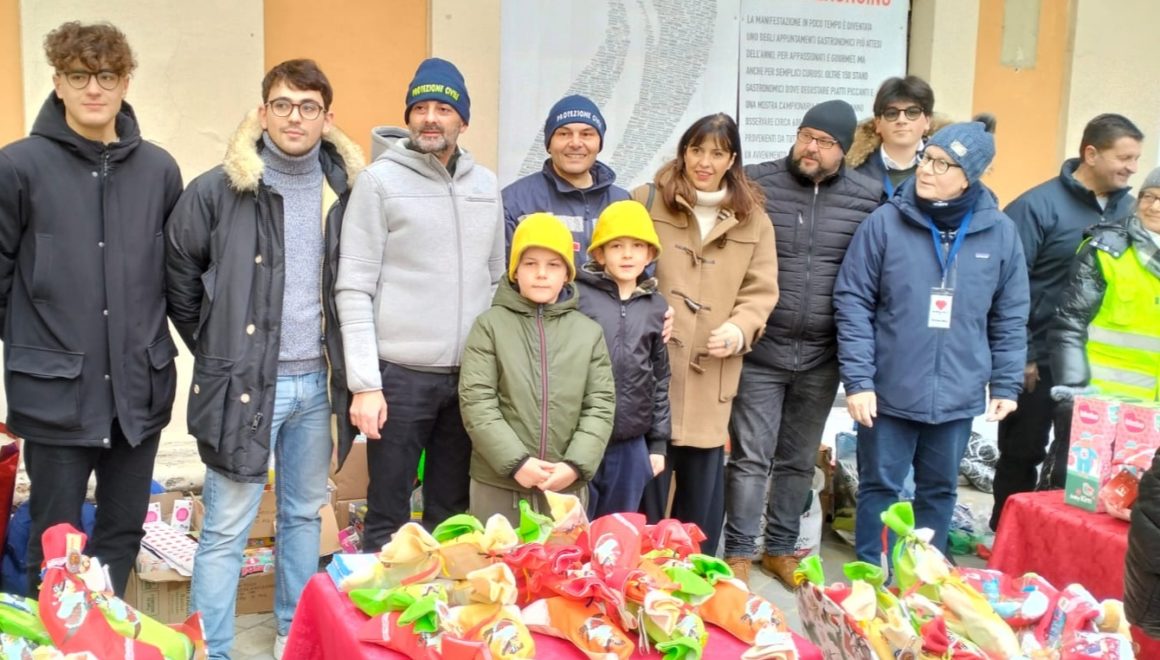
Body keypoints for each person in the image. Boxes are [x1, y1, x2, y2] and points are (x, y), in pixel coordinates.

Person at [166, 59, 362, 658]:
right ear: (263, 112)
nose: (294, 117)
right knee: (226, 527)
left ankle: (293, 636)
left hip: (317, 385)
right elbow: (179, 277)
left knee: (303, 517)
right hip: (247, 387)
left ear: (327, 117)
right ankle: (212, 649)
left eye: (308, 107)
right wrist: (224, 353)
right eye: (282, 104)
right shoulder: (219, 189)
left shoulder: (348, 192)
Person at [0, 21, 182, 597]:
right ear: (58, 82)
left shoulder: (159, 171)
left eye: (106, 75)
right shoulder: (17, 167)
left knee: (122, 532)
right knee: (54, 543)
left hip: (137, 393)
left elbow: (177, 280)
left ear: (126, 82)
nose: (94, 88)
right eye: (79, 76)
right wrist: (32, 350)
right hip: (56, 394)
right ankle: (49, 638)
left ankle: (103, 633)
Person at [834, 119, 1029, 563]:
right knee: (881, 488)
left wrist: (1005, 383)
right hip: (889, 391)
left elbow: (1010, 313)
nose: (926, 169)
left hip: (958, 394)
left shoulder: (999, 232)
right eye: (927, 157)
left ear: (969, 177)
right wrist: (859, 382)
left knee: (939, 491)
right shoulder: (885, 223)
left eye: (943, 164)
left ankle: (923, 582)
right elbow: (853, 302)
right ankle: (874, 578)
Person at [337, 58, 505, 548]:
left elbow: (497, 279)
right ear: (409, 117)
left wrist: (495, 368)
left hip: (469, 378)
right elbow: (354, 286)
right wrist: (365, 384)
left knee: (451, 515)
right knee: (387, 515)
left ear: (463, 121)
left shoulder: (486, 186)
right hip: (400, 379)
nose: (431, 118)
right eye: (420, 108)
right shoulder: (378, 183)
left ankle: (441, 597)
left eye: (443, 108)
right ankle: (380, 598)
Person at [726, 100, 881, 585]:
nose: (811, 147)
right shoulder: (757, 184)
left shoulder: (868, 198)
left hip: (821, 355)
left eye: (825, 141)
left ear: (845, 149)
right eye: (805, 135)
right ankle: (738, 552)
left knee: (797, 459)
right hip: (761, 349)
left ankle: (781, 549)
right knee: (751, 458)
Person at [632, 113, 779, 556]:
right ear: (683, 152)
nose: (704, 162)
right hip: (652, 372)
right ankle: (641, 581)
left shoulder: (753, 220)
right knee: (645, 505)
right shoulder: (645, 201)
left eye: (717, 153)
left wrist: (738, 329)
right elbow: (619, 267)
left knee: (700, 512)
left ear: (732, 160)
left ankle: (695, 582)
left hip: (711, 374)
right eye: (697, 150)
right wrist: (644, 313)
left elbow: (761, 290)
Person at [991, 113, 1143, 530]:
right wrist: (1021, 355)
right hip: (1039, 359)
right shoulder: (1035, 207)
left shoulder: (1131, 210)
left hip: (1097, 363)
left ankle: (1058, 541)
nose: (1132, 168)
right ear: (1091, 154)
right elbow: (1007, 286)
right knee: (1023, 452)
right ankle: (1006, 535)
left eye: (1135, 158)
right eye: (1124, 158)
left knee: (1082, 461)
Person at [459, 213, 615, 524]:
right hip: (498, 486)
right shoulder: (489, 326)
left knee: (562, 555)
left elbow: (600, 405)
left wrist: (574, 465)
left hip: (565, 488)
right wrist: (516, 462)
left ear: (567, 274)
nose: (541, 274)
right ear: (515, 270)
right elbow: (477, 401)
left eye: (553, 265)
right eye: (530, 263)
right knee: (498, 555)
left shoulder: (588, 333)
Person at [574, 200, 671, 519]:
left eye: (637, 246)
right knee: (575, 527)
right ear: (600, 254)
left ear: (650, 254)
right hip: (580, 437)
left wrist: (657, 444)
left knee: (618, 530)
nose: (627, 255)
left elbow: (660, 378)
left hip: (630, 443)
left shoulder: (656, 307)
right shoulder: (577, 297)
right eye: (616, 246)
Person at [1051, 167, 1160, 404]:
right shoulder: (1105, 250)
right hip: (1103, 405)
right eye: (1149, 196)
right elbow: (1069, 324)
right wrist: (1074, 389)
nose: (1154, 207)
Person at [502, 94, 629, 268]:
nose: (575, 143)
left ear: (599, 144)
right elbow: (503, 272)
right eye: (564, 134)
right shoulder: (514, 202)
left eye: (586, 134)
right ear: (549, 143)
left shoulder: (622, 203)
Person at [847, 76, 940, 198]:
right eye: (892, 113)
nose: (901, 120)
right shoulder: (853, 173)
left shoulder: (945, 169)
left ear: (927, 121)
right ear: (878, 123)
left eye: (912, 112)